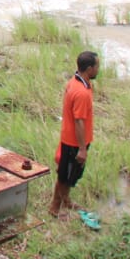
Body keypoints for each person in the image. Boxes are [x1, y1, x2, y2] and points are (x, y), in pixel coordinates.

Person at [50, 51, 99, 218]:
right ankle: (55, 208)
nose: (98, 69)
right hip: (74, 142)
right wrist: (82, 149)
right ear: (89, 69)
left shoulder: (77, 81)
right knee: (65, 176)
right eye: (97, 66)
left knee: (70, 174)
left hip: (71, 138)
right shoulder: (82, 93)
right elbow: (79, 121)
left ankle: (66, 200)